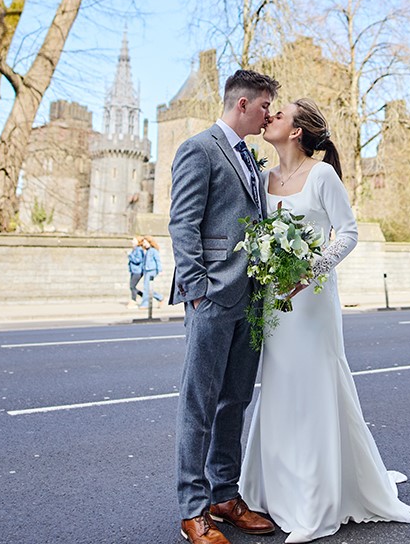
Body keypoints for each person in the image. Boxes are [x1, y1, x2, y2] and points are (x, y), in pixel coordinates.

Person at [239, 98, 410, 543]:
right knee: (279, 389)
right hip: (274, 304)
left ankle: (315, 504)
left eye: (278, 115)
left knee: (314, 388)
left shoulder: (322, 175)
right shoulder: (263, 178)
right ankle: (271, 491)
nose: (269, 118)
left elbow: (350, 232)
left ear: (296, 131)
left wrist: (310, 270)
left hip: (312, 301)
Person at [169, 69, 280, 544]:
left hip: (250, 298)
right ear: (242, 105)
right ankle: (193, 512)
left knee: (235, 401)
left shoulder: (251, 159)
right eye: (264, 108)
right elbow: (183, 222)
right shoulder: (199, 148)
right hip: (213, 297)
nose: (268, 116)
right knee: (200, 404)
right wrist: (198, 290)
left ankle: (224, 495)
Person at [138, 236, 163, 308]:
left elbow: (158, 260)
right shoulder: (147, 251)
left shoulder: (153, 251)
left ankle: (145, 304)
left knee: (146, 287)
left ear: (150, 242)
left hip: (152, 270)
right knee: (148, 288)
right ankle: (160, 297)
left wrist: (160, 270)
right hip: (146, 271)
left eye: (145, 242)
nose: (144, 244)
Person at [126, 237, 144, 308]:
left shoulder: (138, 250)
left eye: (134, 241)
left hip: (137, 271)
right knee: (132, 286)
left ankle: (134, 301)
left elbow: (138, 260)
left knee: (132, 286)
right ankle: (143, 296)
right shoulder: (135, 249)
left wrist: (130, 255)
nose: (132, 242)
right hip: (134, 270)